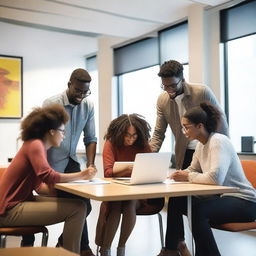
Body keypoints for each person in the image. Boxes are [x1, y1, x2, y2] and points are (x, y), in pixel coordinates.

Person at [157, 102, 256, 256]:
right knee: (176, 201)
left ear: (200, 126)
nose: (184, 131)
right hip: (224, 198)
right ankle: (172, 250)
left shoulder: (218, 141)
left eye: (187, 127)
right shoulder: (200, 145)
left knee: (199, 212)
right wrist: (178, 176)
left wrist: (188, 176)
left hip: (245, 202)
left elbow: (215, 179)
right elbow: (192, 170)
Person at [0, 104, 97, 254]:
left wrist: (68, 192)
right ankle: (69, 252)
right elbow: (49, 176)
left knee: (78, 205)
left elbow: (39, 187)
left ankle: (66, 250)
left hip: (17, 204)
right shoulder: (35, 145)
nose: (64, 135)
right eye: (62, 131)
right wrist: (82, 175)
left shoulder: (36, 145)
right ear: (52, 132)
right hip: (8, 211)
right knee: (78, 209)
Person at [41, 68, 97, 256]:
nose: (81, 95)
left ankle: (70, 245)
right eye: (78, 91)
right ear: (69, 85)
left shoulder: (88, 106)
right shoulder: (52, 104)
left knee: (84, 203)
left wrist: (90, 164)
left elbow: (91, 138)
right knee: (82, 205)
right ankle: (83, 248)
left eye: (85, 92)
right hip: (52, 162)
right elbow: (43, 138)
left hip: (72, 161)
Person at [95, 114, 163, 256]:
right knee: (116, 204)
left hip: (137, 193)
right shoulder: (111, 143)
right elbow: (108, 173)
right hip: (115, 192)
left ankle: (121, 248)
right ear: (119, 133)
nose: (130, 139)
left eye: (134, 136)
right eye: (127, 135)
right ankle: (105, 250)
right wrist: (128, 168)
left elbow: (150, 167)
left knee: (130, 202)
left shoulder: (143, 144)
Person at [150, 60, 229, 170]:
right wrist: (147, 157)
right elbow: (158, 133)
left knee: (210, 183)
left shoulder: (202, 92)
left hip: (208, 150)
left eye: (173, 85)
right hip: (185, 153)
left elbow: (220, 120)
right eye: (165, 86)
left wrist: (224, 150)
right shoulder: (162, 101)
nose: (169, 90)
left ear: (182, 80)